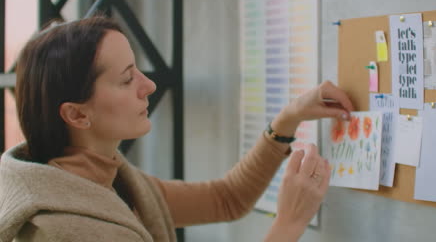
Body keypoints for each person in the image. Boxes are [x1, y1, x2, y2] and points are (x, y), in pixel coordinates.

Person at [0, 16, 353, 242]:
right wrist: (290, 223)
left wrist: (289, 117)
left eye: (137, 69)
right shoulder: (66, 230)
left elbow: (227, 199)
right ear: (77, 116)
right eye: (126, 80)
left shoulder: (114, 183)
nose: (148, 85)